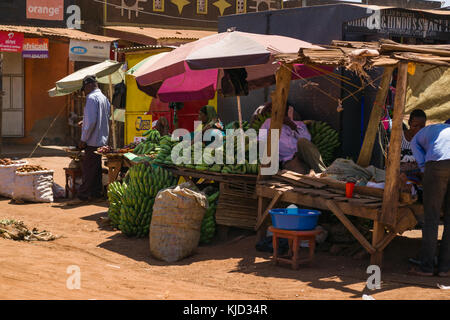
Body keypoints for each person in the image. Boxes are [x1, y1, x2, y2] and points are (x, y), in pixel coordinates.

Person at [408, 123, 450, 277]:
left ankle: (426, 267)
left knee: (431, 218)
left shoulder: (427, 131)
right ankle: (445, 268)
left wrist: (423, 168)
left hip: (437, 164)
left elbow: (414, 143)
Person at [259, 106, 326, 174]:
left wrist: (292, 125)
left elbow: (307, 140)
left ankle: (324, 173)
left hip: (302, 154)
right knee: (303, 174)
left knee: (302, 141)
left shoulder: (299, 124)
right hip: (288, 159)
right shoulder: (268, 123)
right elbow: (260, 139)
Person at [77, 75, 111, 202]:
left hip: (92, 140)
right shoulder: (104, 98)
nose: (84, 91)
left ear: (89, 85)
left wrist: (83, 139)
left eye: (84, 88)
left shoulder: (91, 98)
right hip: (102, 139)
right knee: (96, 168)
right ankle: (96, 193)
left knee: (89, 168)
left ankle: (83, 195)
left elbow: (91, 121)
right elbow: (103, 117)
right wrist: (84, 121)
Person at [399, 109, 427, 196]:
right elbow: (389, 162)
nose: (418, 130)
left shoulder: (424, 141)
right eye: (415, 126)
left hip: (416, 178)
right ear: (409, 123)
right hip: (399, 176)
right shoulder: (399, 137)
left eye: (422, 127)